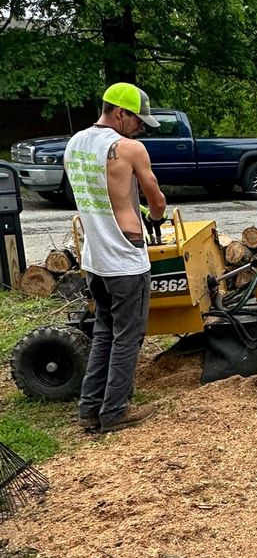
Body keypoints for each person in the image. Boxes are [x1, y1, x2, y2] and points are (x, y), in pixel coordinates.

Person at [64, 83, 166, 433]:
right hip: (125, 257)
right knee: (128, 335)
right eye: (137, 120)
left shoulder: (75, 143)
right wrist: (155, 218)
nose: (140, 127)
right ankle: (115, 412)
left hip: (95, 257)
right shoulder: (129, 148)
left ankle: (89, 409)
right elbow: (157, 201)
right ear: (120, 112)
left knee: (105, 330)